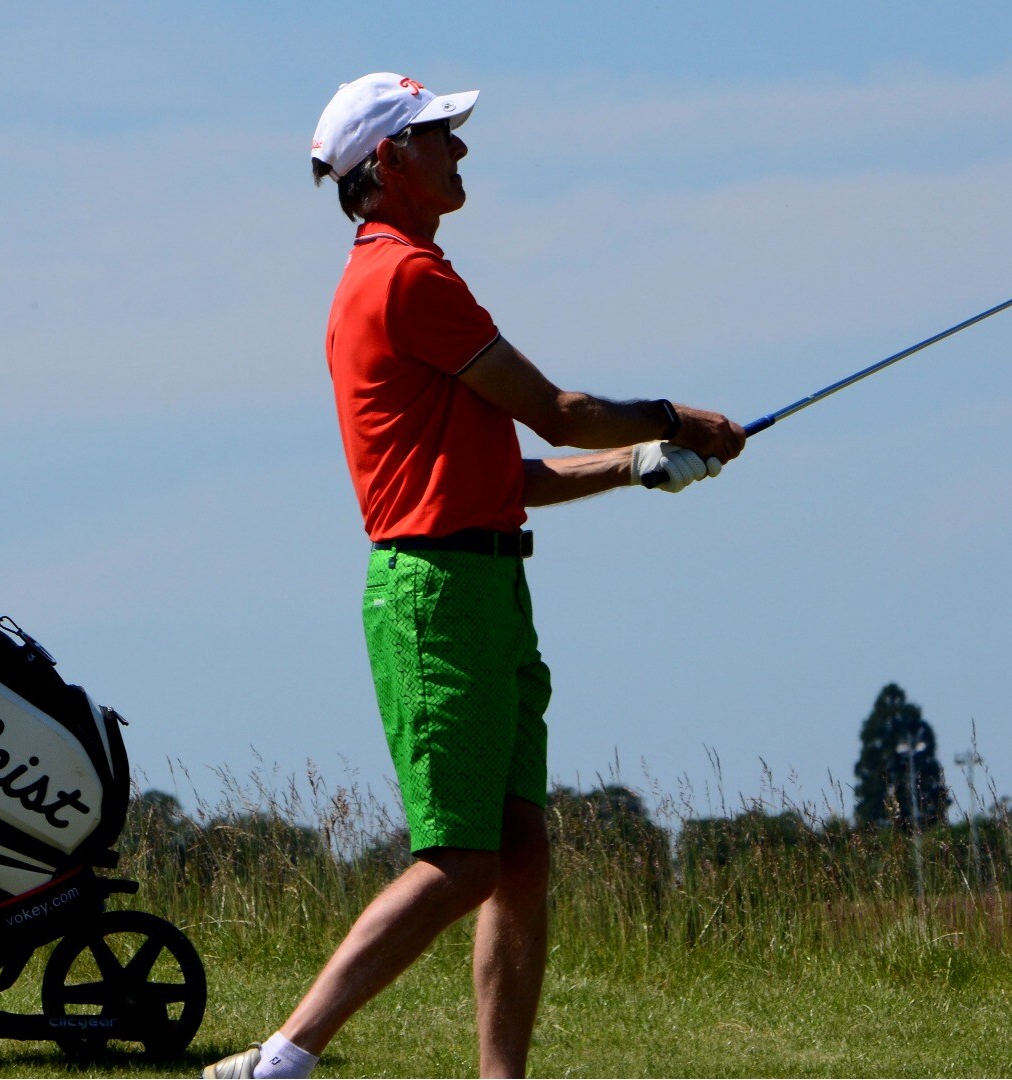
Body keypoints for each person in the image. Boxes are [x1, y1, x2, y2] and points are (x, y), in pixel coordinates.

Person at [203, 73, 746, 1080]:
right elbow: (559, 413)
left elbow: (511, 476)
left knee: (519, 853)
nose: (460, 149)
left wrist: (638, 464)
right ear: (388, 161)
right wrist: (676, 418)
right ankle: (281, 1059)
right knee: (460, 861)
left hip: (486, 587)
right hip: (436, 596)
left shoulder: (412, 275)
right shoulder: (405, 279)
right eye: (439, 134)